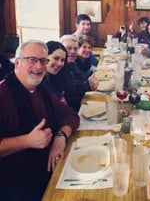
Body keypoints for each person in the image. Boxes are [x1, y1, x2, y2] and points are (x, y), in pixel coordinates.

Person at [0, 40, 79, 201]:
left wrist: (60, 136)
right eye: (32, 60)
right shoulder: (3, 94)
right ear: (17, 63)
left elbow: (71, 116)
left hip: (48, 168)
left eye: (43, 61)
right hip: (14, 183)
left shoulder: (41, 90)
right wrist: (27, 141)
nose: (38, 66)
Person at [60, 35, 99, 112]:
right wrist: (88, 85)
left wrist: (89, 84)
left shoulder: (73, 63)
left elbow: (80, 82)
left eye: (75, 49)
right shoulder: (59, 68)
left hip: (83, 101)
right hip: (74, 110)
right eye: (68, 48)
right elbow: (69, 95)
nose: (73, 51)